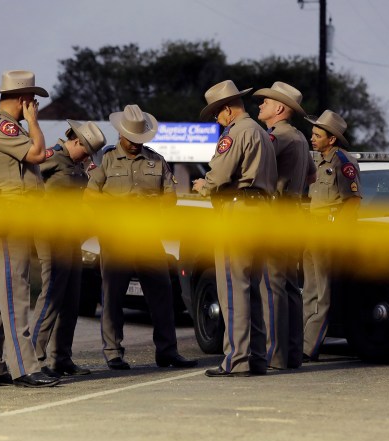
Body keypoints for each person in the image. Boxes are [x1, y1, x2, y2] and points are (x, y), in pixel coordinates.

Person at [85, 104, 197, 370]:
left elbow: (169, 198)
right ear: (120, 134)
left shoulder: (156, 161)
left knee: (162, 296)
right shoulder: (106, 160)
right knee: (112, 298)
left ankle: (167, 351)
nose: (135, 144)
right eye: (131, 139)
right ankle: (113, 352)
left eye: (139, 140)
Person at [0, 70, 59, 388]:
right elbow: (37, 153)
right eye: (33, 101)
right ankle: (24, 367)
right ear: (24, 101)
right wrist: (34, 123)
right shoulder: (4, 126)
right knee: (16, 292)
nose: (34, 106)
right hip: (8, 219)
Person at [192, 80, 278, 377]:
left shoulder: (236, 133)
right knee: (251, 289)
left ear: (228, 110)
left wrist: (203, 185)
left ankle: (236, 359)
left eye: (217, 114)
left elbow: (217, 178)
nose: (217, 120)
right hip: (262, 212)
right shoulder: (262, 133)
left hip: (238, 212)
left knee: (232, 288)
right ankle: (255, 356)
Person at [31, 120, 107, 378]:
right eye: (85, 151)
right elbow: (27, 181)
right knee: (51, 295)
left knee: (72, 300)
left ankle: (61, 358)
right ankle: (33, 359)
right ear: (75, 142)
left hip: (72, 237)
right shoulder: (52, 157)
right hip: (52, 236)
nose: (86, 157)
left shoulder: (78, 166)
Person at [252, 81, 315, 370]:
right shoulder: (300, 138)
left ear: (279, 108)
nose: (260, 106)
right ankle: (291, 354)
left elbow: (254, 166)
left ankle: (274, 354)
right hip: (297, 216)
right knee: (289, 287)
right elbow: (312, 177)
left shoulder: (276, 136)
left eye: (265, 102)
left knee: (272, 285)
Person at [302, 110, 362, 362]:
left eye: (317, 135)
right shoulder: (317, 161)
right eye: (312, 134)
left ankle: (308, 348)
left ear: (332, 139)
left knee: (322, 293)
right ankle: (302, 341)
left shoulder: (342, 162)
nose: (312, 138)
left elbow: (352, 203)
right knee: (309, 291)